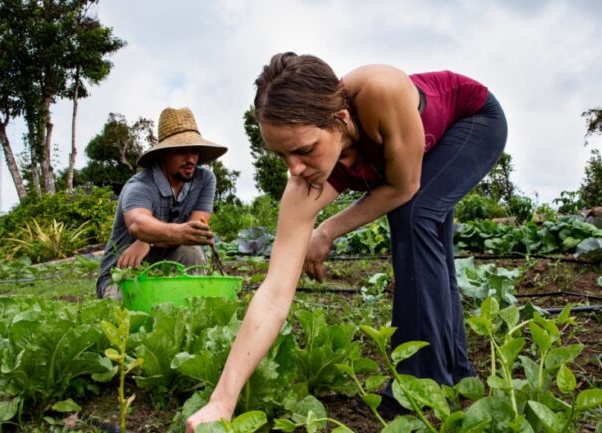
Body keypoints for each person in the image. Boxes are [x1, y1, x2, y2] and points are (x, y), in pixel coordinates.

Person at [186, 52, 507, 430]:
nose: (294, 168)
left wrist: (326, 231)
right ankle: (454, 373)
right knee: (425, 235)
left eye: (304, 150)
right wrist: (221, 402)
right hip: (412, 154)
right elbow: (274, 293)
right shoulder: (304, 179)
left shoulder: (379, 91)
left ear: (340, 120)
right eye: (281, 154)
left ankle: (424, 384)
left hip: (472, 122)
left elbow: (405, 186)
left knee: (414, 213)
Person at [96, 107, 228, 300]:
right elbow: (137, 223)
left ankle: (191, 305)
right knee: (127, 315)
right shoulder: (140, 185)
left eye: (194, 151)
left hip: (168, 267)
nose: (190, 159)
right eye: (181, 151)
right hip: (124, 275)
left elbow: (194, 232)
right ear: (163, 154)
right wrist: (148, 235)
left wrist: (148, 239)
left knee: (191, 251)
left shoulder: (205, 179)